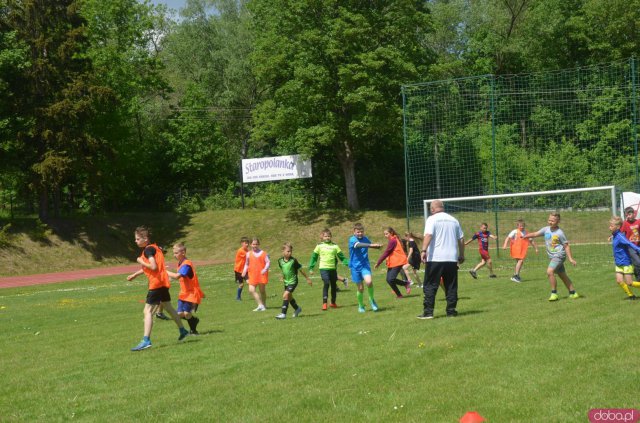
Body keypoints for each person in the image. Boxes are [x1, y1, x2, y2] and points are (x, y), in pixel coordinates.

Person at [126, 226, 189, 351]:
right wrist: (135, 274)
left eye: (138, 239)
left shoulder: (148, 250)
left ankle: (146, 340)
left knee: (147, 311)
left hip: (156, 284)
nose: (136, 241)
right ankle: (183, 330)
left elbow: (153, 267)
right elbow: (154, 267)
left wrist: (140, 260)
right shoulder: (155, 248)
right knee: (169, 308)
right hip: (163, 282)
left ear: (145, 238)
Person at [417, 200, 464, 319]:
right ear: (443, 207)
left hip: (435, 258)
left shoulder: (432, 219)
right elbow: (461, 239)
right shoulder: (454, 220)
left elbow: (428, 235)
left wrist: (423, 250)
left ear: (432, 209)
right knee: (451, 285)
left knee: (430, 285)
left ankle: (428, 312)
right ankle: (451, 311)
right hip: (451, 258)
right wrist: (461, 254)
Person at [523, 213, 579, 301]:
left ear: (558, 221)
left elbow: (566, 246)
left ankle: (554, 293)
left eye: (553, 221)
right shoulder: (546, 229)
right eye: (549, 220)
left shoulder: (560, 233)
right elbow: (535, 234)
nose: (550, 222)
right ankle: (573, 293)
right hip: (552, 257)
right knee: (562, 275)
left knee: (550, 272)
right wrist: (525, 236)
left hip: (559, 255)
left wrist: (570, 259)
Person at [166, 242, 205, 334]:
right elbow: (177, 277)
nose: (174, 255)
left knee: (187, 313)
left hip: (191, 293)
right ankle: (194, 320)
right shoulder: (180, 263)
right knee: (179, 314)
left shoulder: (186, 264)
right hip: (183, 293)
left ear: (183, 252)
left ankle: (193, 330)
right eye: (173, 253)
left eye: (176, 253)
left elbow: (177, 276)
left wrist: (164, 271)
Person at [309, 228, 350, 310]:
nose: (327, 238)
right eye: (325, 236)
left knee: (334, 286)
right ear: (322, 237)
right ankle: (324, 303)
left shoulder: (335, 246)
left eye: (329, 236)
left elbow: (342, 257)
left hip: (333, 269)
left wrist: (349, 264)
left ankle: (333, 303)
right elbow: (314, 257)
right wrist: (311, 267)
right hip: (323, 268)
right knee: (326, 283)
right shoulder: (319, 246)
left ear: (331, 237)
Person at [348, 223, 382, 312]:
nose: (360, 233)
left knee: (369, 282)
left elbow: (370, 245)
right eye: (358, 232)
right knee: (360, 288)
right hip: (355, 267)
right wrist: (371, 245)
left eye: (361, 232)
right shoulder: (352, 239)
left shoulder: (365, 239)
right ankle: (361, 305)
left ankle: (372, 300)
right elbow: (358, 245)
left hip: (364, 265)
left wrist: (377, 246)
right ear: (354, 232)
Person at [275, 242, 312, 319]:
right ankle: (297, 309)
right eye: (288, 251)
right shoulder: (280, 261)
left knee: (285, 295)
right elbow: (284, 270)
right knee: (289, 297)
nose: (290, 253)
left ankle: (283, 314)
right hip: (286, 282)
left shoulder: (293, 260)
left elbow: (301, 270)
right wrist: (282, 277)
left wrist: (307, 278)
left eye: (291, 251)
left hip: (293, 281)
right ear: (283, 251)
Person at [374, 227, 412, 298]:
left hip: (398, 262)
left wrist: (378, 262)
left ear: (391, 233)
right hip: (393, 262)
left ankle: (405, 284)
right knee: (389, 280)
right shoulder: (393, 239)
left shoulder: (393, 241)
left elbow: (386, 252)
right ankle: (399, 295)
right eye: (384, 234)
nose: (385, 235)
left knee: (391, 279)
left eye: (387, 234)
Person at [609, 216, 640, 300]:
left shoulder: (620, 236)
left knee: (629, 282)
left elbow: (629, 243)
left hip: (626, 263)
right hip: (618, 263)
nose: (609, 227)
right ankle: (631, 296)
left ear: (618, 227)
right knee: (619, 281)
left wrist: (638, 249)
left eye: (611, 226)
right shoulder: (615, 235)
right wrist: (611, 236)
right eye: (610, 225)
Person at [242, 238, 270, 311]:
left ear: (259, 244)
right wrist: (244, 271)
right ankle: (260, 305)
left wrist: (264, 269)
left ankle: (264, 305)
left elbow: (268, 262)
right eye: (253, 244)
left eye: (256, 244)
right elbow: (246, 264)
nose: (255, 245)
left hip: (261, 275)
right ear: (251, 245)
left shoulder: (263, 253)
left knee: (262, 291)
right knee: (251, 290)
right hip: (252, 274)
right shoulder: (248, 254)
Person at [620, 207, 640, 281]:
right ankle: (638, 278)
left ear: (634, 214)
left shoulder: (638, 222)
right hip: (631, 247)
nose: (628, 216)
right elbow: (619, 233)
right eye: (626, 215)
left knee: (638, 264)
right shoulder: (625, 223)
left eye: (629, 214)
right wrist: (612, 235)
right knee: (638, 262)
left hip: (639, 245)